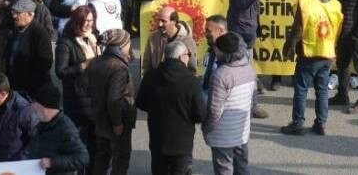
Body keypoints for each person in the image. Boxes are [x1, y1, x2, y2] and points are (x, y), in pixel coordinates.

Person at [281, 0, 343, 136]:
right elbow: (338, 30)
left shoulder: (305, 1)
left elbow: (297, 30)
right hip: (327, 52)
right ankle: (320, 123)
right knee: (322, 90)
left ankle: (297, 124)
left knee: (301, 89)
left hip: (308, 53)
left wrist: (288, 49)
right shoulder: (335, 4)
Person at [136, 41, 206, 175]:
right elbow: (200, 114)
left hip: (158, 137)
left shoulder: (151, 76)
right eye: (188, 54)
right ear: (181, 57)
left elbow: (141, 103)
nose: (189, 57)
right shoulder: (191, 81)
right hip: (182, 141)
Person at [203, 32, 255, 175]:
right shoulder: (250, 70)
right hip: (241, 133)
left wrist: (206, 128)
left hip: (223, 136)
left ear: (222, 51)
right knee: (242, 168)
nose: (215, 50)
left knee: (224, 169)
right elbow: (253, 103)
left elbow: (214, 111)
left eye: (217, 48)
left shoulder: (220, 75)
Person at [87, 28, 134, 175]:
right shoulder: (119, 68)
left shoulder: (96, 62)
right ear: (121, 45)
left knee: (101, 157)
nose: (130, 46)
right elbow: (114, 99)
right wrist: (117, 123)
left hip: (99, 119)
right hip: (116, 123)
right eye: (128, 43)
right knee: (120, 160)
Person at [54, 6, 99, 154]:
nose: (89, 24)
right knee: (79, 143)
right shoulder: (65, 43)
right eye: (85, 21)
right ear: (77, 21)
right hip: (76, 98)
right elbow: (60, 71)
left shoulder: (92, 37)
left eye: (91, 21)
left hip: (93, 95)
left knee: (93, 142)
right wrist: (83, 66)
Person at [25, 82, 90, 175]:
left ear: (44, 108)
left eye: (36, 108)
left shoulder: (65, 127)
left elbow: (82, 158)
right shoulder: (41, 124)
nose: (34, 112)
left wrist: (52, 162)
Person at [0, 73, 38, 164]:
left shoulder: (24, 111)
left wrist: (20, 160)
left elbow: (36, 140)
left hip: (13, 166)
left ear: (3, 94)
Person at [4, 0, 54, 96]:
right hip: (15, 84)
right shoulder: (17, 29)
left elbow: (45, 63)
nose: (14, 16)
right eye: (13, 12)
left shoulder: (40, 34)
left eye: (18, 13)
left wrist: (33, 83)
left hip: (30, 89)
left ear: (30, 14)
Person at [142, 6, 198, 75]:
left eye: (163, 21)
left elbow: (192, 70)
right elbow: (147, 65)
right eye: (158, 20)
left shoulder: (187, 41)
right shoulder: (153, 37)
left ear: (174, 21)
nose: (160, 24)